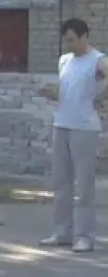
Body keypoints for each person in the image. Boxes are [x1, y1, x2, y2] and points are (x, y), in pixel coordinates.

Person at [39, 18, 105, 253]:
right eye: (66, 40)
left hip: (84, 128)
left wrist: (100, 98)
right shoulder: (64, 60)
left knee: (84, 185)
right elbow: (65, 91)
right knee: (61, 183)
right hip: (62, 123)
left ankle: (85, 236)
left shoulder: (98, 60)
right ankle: (62, 232)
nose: (69, 44)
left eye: (72, 40)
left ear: (85, 36)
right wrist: (49, 93)